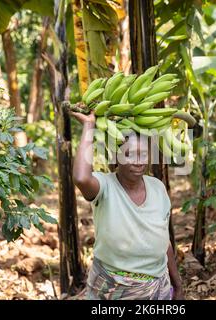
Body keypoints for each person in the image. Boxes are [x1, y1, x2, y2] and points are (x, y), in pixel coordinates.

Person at [71, 109, 184, 300]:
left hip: (158, 288)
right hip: (112, 288)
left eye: (144, 154)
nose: (138, 162)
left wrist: (177, 285)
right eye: (129, 154)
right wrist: (89, 125)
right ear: (116, 158)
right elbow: (81, 178)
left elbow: (164, 240)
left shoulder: (157, 188)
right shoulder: (105, 186)